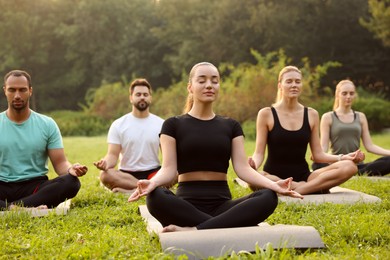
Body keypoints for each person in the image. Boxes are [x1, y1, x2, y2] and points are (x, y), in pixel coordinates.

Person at [128, 62, 303, 233]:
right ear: (190, 87)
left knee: (267, 197)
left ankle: (196, 229)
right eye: (202, 80)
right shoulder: (172, 125)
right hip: (185, 207)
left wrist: (274, 185)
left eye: (214, 80)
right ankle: (224, 225)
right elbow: (168, 169)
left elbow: (243, 169)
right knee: (155, 197)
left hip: (223, 205)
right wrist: (152, 183)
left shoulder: (231, 126)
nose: (209, 85)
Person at [249, 66, 365, 195]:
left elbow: (318, 155)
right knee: (253, 179)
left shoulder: (311, 114)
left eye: (297, 81)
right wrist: (253, 165)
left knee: (349, 166)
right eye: (289, 81)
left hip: (304, 177)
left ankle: (298, 189)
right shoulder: (266, 114)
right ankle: (308, 188)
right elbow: (259, 153)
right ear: (280, 85)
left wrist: (343, 157)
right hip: (273, 176)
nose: (294, 85)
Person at [0, 70, 88, 210]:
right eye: (12, 90)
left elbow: (60, 164)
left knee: (71, 183)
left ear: (30, 91)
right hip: (2, 187)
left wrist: (71, 169)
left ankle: (10, 207)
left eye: (22, 90)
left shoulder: (47, 124)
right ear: (5, 91)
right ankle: (17, 208)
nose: (17, 95)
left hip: (34, 187)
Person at [94, 78, 165, 193]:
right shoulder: (118, 125)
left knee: (176, 172)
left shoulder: (161, 124)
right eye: (138, 94)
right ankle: (149, 189)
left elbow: (167, 157)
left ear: (150, 98)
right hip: (126, 175)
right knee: (105, 175)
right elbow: (112, 155)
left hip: (153, 173)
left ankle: (131, 191)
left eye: (145, 94)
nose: (142, 97)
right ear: (131, 98)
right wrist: (105, 163)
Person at [312, 79, 390, 176]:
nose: (348, 96)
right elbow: (324, 146)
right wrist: (317, 155)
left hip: (357, 165)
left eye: (351, 93)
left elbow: (370, 146)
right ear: (337, 95)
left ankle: (352, 172)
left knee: (388, 161)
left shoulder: (360, 117)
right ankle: (346, 172)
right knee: (317, 164)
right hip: (337, 164)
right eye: (344, 93)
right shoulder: (328, 117)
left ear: (355, 95)